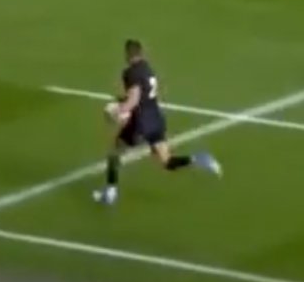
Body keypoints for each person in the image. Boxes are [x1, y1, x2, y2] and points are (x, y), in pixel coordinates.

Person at [95, 39, 221, 205]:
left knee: (115, 152)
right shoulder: (148, 69)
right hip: (155, 120)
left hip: (140, 123)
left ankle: (110, 193)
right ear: (141, 53)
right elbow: (146, 95)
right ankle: (197, 159)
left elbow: (134, 99)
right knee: (167, 162)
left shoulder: (130, 72)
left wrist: (118, 110)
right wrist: (123, 100)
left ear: (128, 54)